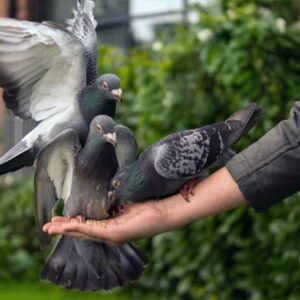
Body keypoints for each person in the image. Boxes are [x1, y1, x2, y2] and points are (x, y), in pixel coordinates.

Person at [43, 102, 300, 245]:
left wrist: (190, 187)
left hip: (217, 148)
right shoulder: (144, 181)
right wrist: (165, 213)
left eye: (116, 185)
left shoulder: (161, 161)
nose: (115, 193)